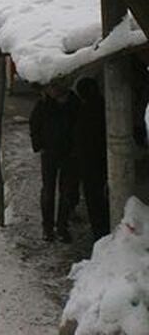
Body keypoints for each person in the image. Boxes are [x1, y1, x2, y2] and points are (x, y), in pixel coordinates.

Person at [30, 84, 81, 242]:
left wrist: (76, 148)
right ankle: (48, 227)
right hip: (50, 152)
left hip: (69, 154)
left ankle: (62, 226)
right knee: (48, 190)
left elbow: (79, 127)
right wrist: (39, 145)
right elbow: (34, 124)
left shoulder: (74, 103)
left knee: (66, 191)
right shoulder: (44, 104)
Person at [73, 77, 111, 241]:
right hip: (102, 159)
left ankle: (100, 232)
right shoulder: (103, 107)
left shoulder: (84, 111)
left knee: (95, 199)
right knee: (102, 196)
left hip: (90, 162)